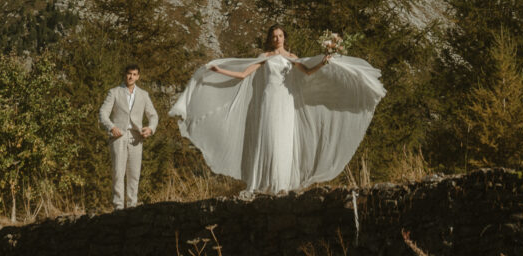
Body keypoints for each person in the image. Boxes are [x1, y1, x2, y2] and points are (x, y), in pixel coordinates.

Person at [169, 24, 385, 194]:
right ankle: (265, 184)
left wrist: (323, 62)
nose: (277, 39)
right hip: (269, 101)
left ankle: (282, 185)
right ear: (270, 38)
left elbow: (308, 72)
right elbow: (244, 74)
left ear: (284, 38)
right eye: (274, 36)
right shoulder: (265, 57)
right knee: (269, 139)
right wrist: (219, 70)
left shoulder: (292, 58)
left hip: (286, 101)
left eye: (280, 35)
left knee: (284, 141)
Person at [99, 63, 159, 210]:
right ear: (125, 74)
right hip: (118, 137)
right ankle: (118, 207)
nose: (131, 77)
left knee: (134, 174)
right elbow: (102, 113)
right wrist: (112, 127)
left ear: (138, 76)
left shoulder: (144, 95)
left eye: (134, 74)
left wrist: (150, 129)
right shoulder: (114, 92)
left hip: (136, 139)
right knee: (118, 173)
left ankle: (132, 207)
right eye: (128, 73)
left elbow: (154, 115)